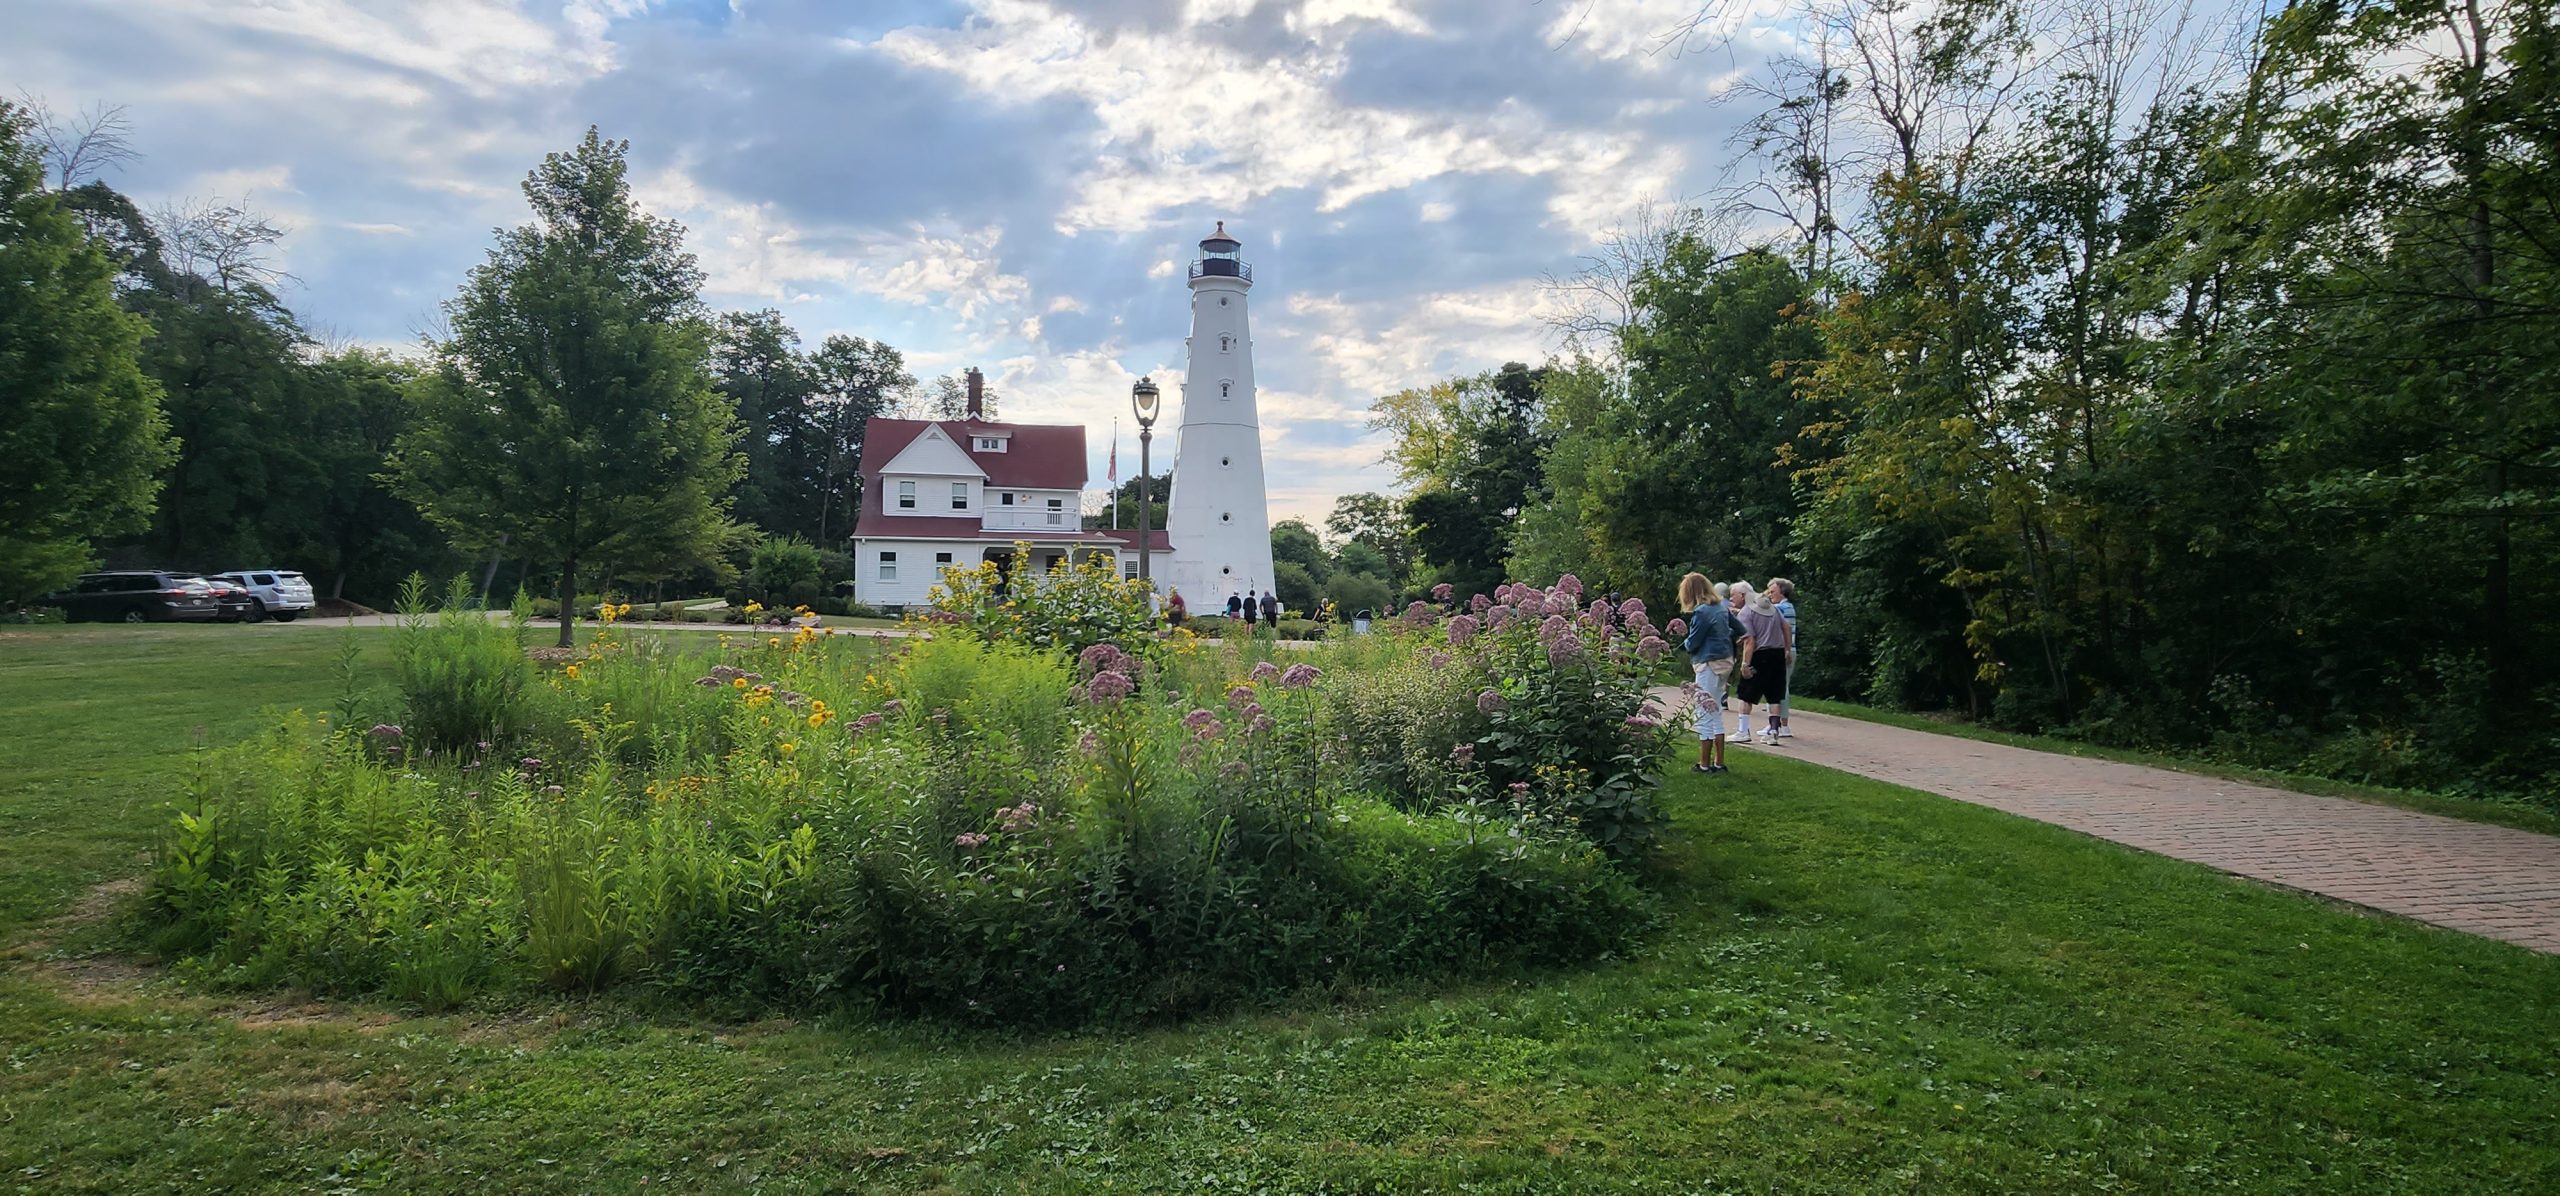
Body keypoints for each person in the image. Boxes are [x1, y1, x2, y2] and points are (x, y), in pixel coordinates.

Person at [1678, 572, 1737, 774]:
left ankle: (1704, 765)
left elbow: (1693, 643)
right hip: (1725, 662)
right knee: (1716, 710)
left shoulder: (1702, 612)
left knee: (1703, 711)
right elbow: (1741, 629)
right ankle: (1719, 762)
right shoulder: (1721, 607)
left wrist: (1683, 643)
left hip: (1708, 664)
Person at [1731, 581, 1793, 746]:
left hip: (1759, 655)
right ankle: (1773, 732)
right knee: (1774, 695)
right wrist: (1787, 649)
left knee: (1746, 694)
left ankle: (1743, 731)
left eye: (1733, 595)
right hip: (1777, 653)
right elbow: (1786, 627)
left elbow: (1750, 640)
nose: (1731, 598)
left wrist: (1745, 664)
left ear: (1743, 596)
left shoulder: (1745, 612)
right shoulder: (1772, 609)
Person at [1767, 578, 1798, 738]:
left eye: (1772, 592)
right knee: (1781, 687)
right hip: (1788, 650)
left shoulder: (1780, 608)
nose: (1769, 595)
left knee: (1778, 688)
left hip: (1782, 651)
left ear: (1782, 592)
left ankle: (1780, 725)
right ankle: (1778, 724)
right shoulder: (1788, 607)